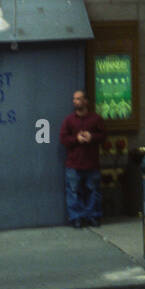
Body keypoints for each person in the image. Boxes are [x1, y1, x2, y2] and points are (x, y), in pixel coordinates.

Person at [59, 90, 107, 228]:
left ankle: (93, 216)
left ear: (86, 101)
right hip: (74, 163)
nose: (75, 101)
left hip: (92, 163)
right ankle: (77, 218)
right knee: (74, 193)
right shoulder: (69, 120)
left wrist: (92, 137)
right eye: (74, 99)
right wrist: (77, 139)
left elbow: (103, 136)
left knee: (93, 192)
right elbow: (63, 138)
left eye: (78, 99)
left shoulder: (96, 119)